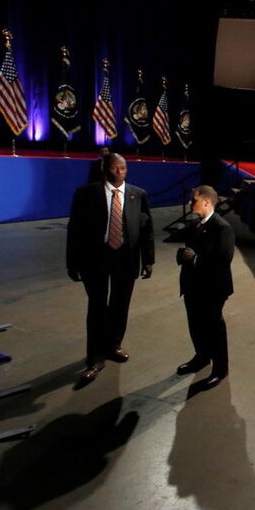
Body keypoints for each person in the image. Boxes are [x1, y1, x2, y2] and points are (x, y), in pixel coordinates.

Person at [67, 154, 154, 381]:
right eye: (114, 168)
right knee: (97, 307)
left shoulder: (138, 194)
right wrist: (72, 262)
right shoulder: (86, 194)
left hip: (126, 258)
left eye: (123, 168)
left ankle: (113, 346)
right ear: (104, 169)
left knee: (120, 305)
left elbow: (147, 230)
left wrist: (149, 260)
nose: (119, 172)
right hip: (95, 259)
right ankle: (94, 358)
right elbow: (74, 230)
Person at [176, 185, 235, 388]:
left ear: (207, 202)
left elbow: (222, 260)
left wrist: (195, 259)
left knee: (214, 328)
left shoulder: (223, 228)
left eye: (193, 200)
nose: (190, 203)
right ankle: (201, 357)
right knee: (195, 324)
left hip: (213, 289)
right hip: (192, 286)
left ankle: (220, 369)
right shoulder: (196, 225)